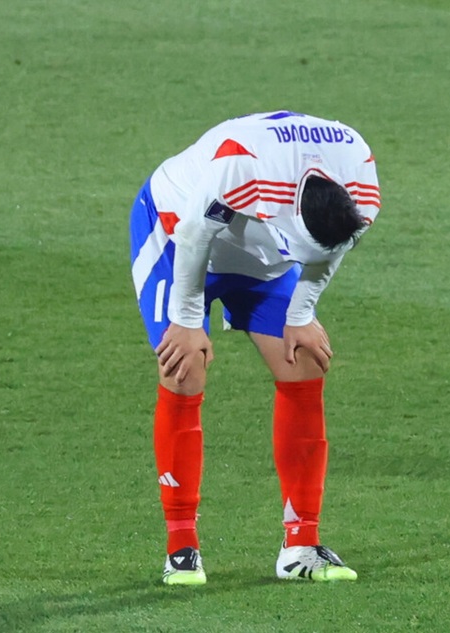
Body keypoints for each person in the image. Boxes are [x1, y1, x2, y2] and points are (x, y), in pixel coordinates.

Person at [129, 111, 380, 585]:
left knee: (303, 360)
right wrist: (187, 321)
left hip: (256, 249)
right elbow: (194, 233)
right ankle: (181, 549)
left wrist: (301, 314)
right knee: (185, 367)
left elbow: (334, 247)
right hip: (175, 228)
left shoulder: (360, 182)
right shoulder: (242, 167)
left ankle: (301, 546)